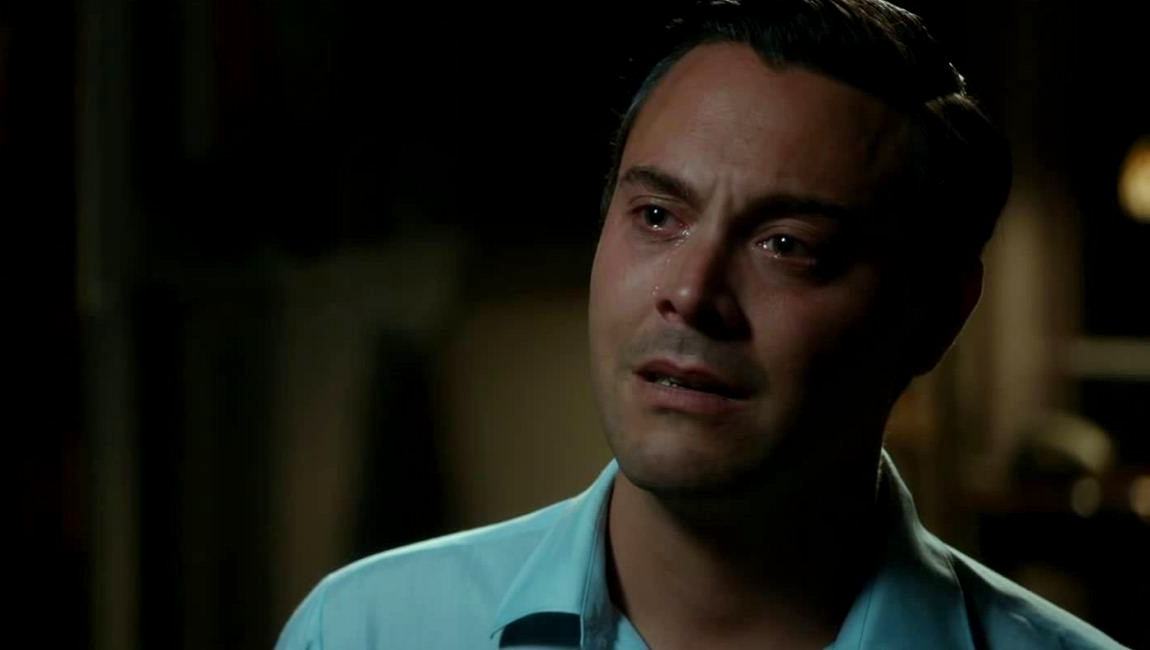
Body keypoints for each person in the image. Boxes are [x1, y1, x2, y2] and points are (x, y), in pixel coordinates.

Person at [277, 1, 1123, 647]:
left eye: (787, 245)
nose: (691, 292)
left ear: (935, 315)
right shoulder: (365, 631)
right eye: (657, 216)